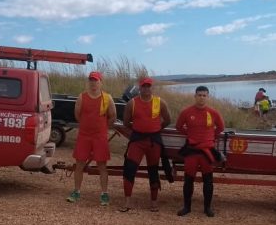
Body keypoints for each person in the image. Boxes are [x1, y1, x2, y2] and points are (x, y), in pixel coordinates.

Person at [119, 77, 172, 212]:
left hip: (153, 141)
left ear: (152, 87)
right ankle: (127, 201)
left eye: (148, 86)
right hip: (137, 141)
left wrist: (155, 128)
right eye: (144, 86)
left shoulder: (160, 102)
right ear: (140, 88)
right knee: (130, 168)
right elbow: (126, 123)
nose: (146, 89)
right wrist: (139, 130)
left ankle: (154, 202)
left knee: (153, 170)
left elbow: (167, 120)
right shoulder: (132, 103)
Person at [67, 71, 117, 206]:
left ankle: (104, 194)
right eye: (91, 80)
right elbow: (77, 115)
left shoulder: (107, 98)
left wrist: (103, 127)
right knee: (79, 164)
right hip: (84, 135)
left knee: (102, 165)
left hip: (100, 136)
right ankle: (76, 191)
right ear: (88, 82)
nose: (93, 83)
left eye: (96, 80)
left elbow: (113, 116)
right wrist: (87, 125)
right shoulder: (81, 97)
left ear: (101, 82)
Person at [175, 86, 225, 217]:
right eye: (199, 95)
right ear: (195, 96)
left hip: (207, 151)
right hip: (192, 151)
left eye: (204, 95)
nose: (201, 97)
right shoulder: (186, 112)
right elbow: (178, 127)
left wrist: (209, 136)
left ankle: (207, 208)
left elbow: (221, 127)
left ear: (207, 97)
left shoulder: (213, 113)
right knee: (188, 180)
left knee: (208, 180)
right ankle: (187, 207)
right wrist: (190, 135)